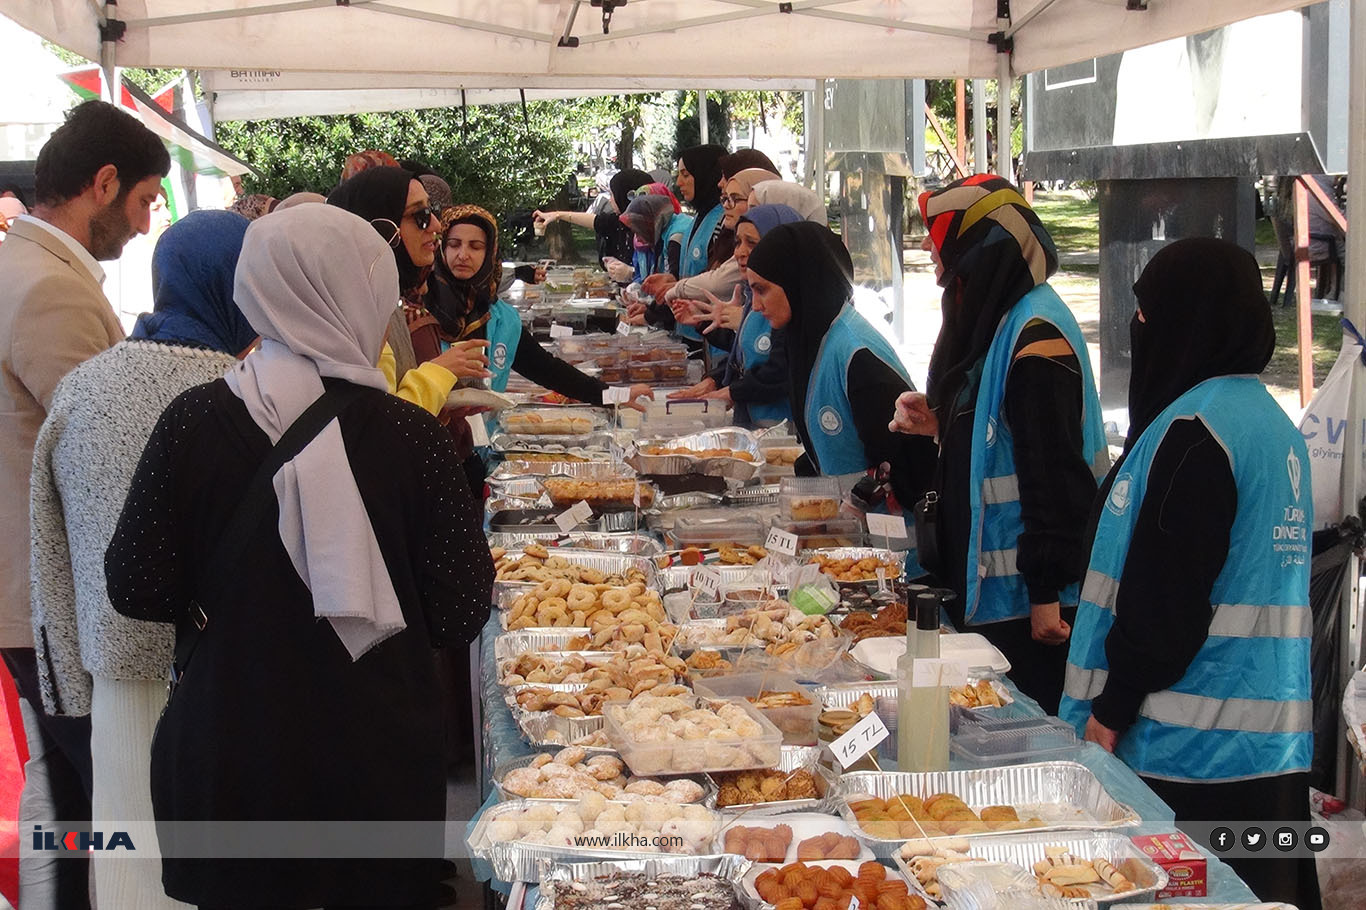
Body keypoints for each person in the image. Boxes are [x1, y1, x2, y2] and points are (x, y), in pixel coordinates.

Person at [104, 204, 494, 909]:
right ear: (364, 296)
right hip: (374, 754)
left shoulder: (191, 422)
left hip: (230, 744)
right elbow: (462, 606)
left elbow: (136, 584)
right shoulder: (410, 438)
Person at [1059, 238, 1317, 908]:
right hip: (1271, 754)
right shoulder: (1273, 425)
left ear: (1186, 320)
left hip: (1185, 754)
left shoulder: (1196, 431)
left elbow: (1165, 600)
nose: (1138, 331)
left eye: (1146, 316)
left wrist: (1110, 712)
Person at [30, 210, 256, 910]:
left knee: (133, 864)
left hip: (118, 671)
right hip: (228, 675)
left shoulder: (83, 387)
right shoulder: (247, 395)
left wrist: (64, 680)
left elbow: (50, 545)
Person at [0, 98, 170, 910]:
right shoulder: (48, 290)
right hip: (53, 597)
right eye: (141, 201)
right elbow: (101, 464)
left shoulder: (22, 269)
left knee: (72, 801)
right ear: (103, 184)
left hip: (33, 595)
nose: (143, 225)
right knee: (106, 801)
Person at [889, 175, 1107, 714]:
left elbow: (1053, 471)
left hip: (1027, 607)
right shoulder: (1008, 316)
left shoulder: (1037, 336)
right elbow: (1006, 432)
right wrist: (943, 425)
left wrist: (1045, 593)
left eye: (935, 232)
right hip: (999, 595)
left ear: (979, 242)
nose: (925, 247)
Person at [746, 221, 936, 515]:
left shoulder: (856, 353)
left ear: (797, 281)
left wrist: (855, 505)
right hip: (850, 538)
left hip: (891, 547)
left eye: (762, 290)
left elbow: (902, 459)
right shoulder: (810, 339)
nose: (755, 306)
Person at [670, 204, 805, 427]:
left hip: (783, 431)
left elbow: (779, 369)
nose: (739, 252)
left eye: (751, 243)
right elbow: (747, 352)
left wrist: (731, 391)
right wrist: (715, 379)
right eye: (737, 242)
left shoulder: (791, 302)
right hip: (758, 425)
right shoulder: (751, 294)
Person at [533, 167, 652, 271]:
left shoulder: (651, 233)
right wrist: (557, 215)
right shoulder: (620, 222)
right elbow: (594, 221)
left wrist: (630, 273)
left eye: (612, 195)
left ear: (626, 197)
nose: (610, 200)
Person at [619, 188, 692, 281]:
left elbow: (673, 282)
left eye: (639, 232)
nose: (638, 239)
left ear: (649, 225)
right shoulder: (662, 231)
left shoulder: (676, 238)